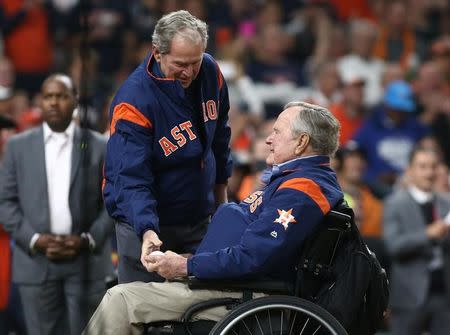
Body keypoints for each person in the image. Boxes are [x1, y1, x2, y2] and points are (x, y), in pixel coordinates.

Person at [83, 101, 343, 335]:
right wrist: (190, 261)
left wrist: (186, 267)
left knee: (121, 299)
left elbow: (255, 257)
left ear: (301, 142)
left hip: (241, 293)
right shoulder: (297, 181)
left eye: (277, 132)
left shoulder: (303, 190)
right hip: (226, 282)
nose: (268, 139)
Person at [103, 10, 233, 283]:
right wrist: (148, 231)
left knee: (199, 312)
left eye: (194, 62)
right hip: (146, 224)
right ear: (157, 53)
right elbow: (131, 177)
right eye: (180, 64)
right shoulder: (134, 100)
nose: (189, 72)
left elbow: (220, 139)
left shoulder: (210, 72)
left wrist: (222, 202)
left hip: (198, 219)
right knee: (145, 313)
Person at [0, 74, 115, 335]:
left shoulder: (99, 146)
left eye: (62, 96)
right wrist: (34, 239)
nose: (54, 102)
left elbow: (112, 202)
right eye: (49, 96)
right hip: (35, 262)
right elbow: (5, 202)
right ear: (40, 101)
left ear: (75, 100)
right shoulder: (17, 147)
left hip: (87, 261)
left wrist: (88, 239)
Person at [383, 146, 450, 335]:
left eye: (433, 166)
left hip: (444, 294)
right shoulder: (395, 203)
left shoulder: (447, 202)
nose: (429, 172)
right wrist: (428, 234)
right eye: (422, 167)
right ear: (410, 170)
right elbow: (393, 246)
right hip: (409, 295)